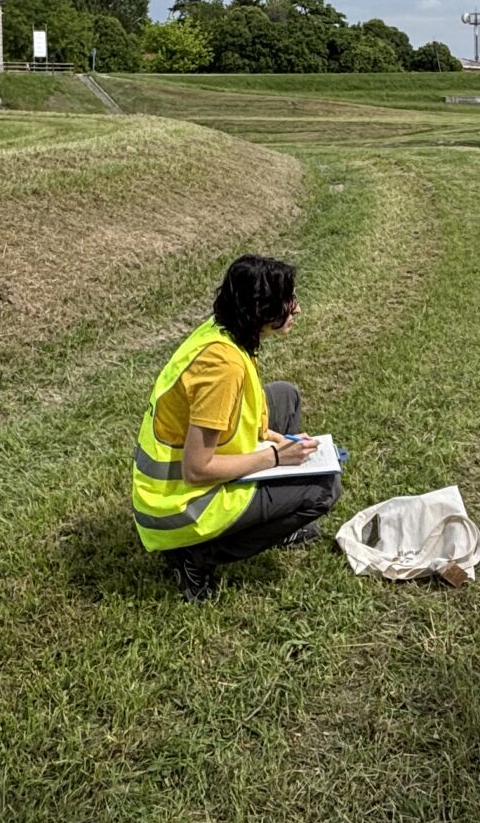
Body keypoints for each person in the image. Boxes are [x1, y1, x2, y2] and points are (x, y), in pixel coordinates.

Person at [131, 253, 342, 600]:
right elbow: (198, 469)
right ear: (262, 309)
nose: (297, 309)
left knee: (284, 396)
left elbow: (245, 411)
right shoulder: (222, 366)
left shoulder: (224, 330)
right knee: (324, 489)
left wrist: (278, 437)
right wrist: (275, 457)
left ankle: (277, 526)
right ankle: (195, 557)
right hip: (179, 508)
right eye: (288, 301)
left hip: (177, 491)